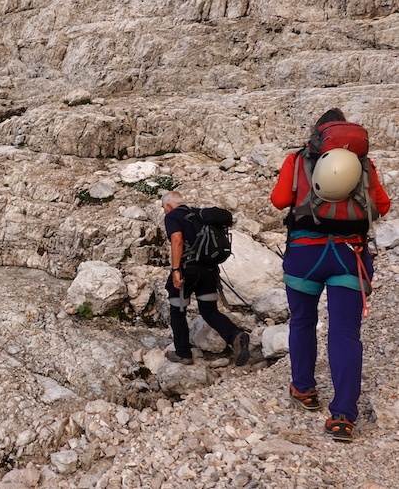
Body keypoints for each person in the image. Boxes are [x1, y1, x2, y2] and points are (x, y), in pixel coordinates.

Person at [270, 108, 391, 442]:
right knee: (344, 333)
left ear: (317, 133)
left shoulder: (297, 160)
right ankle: (343, 417)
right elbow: (382, 206)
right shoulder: (364, 166)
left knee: (303, 321)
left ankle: (304, 390)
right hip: (349, 256)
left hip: (305, 255)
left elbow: (279, 200)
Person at [162, 191, 251, 366]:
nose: (165, 212)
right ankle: (235, 336)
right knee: (210, 311)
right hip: (209, 271)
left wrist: (175, 270)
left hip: (188, 270)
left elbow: (177, 240)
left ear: (168, 206)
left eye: (164, 209)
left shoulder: (173, 216)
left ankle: (183, 352)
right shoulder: (199, 214)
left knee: (177, 310)